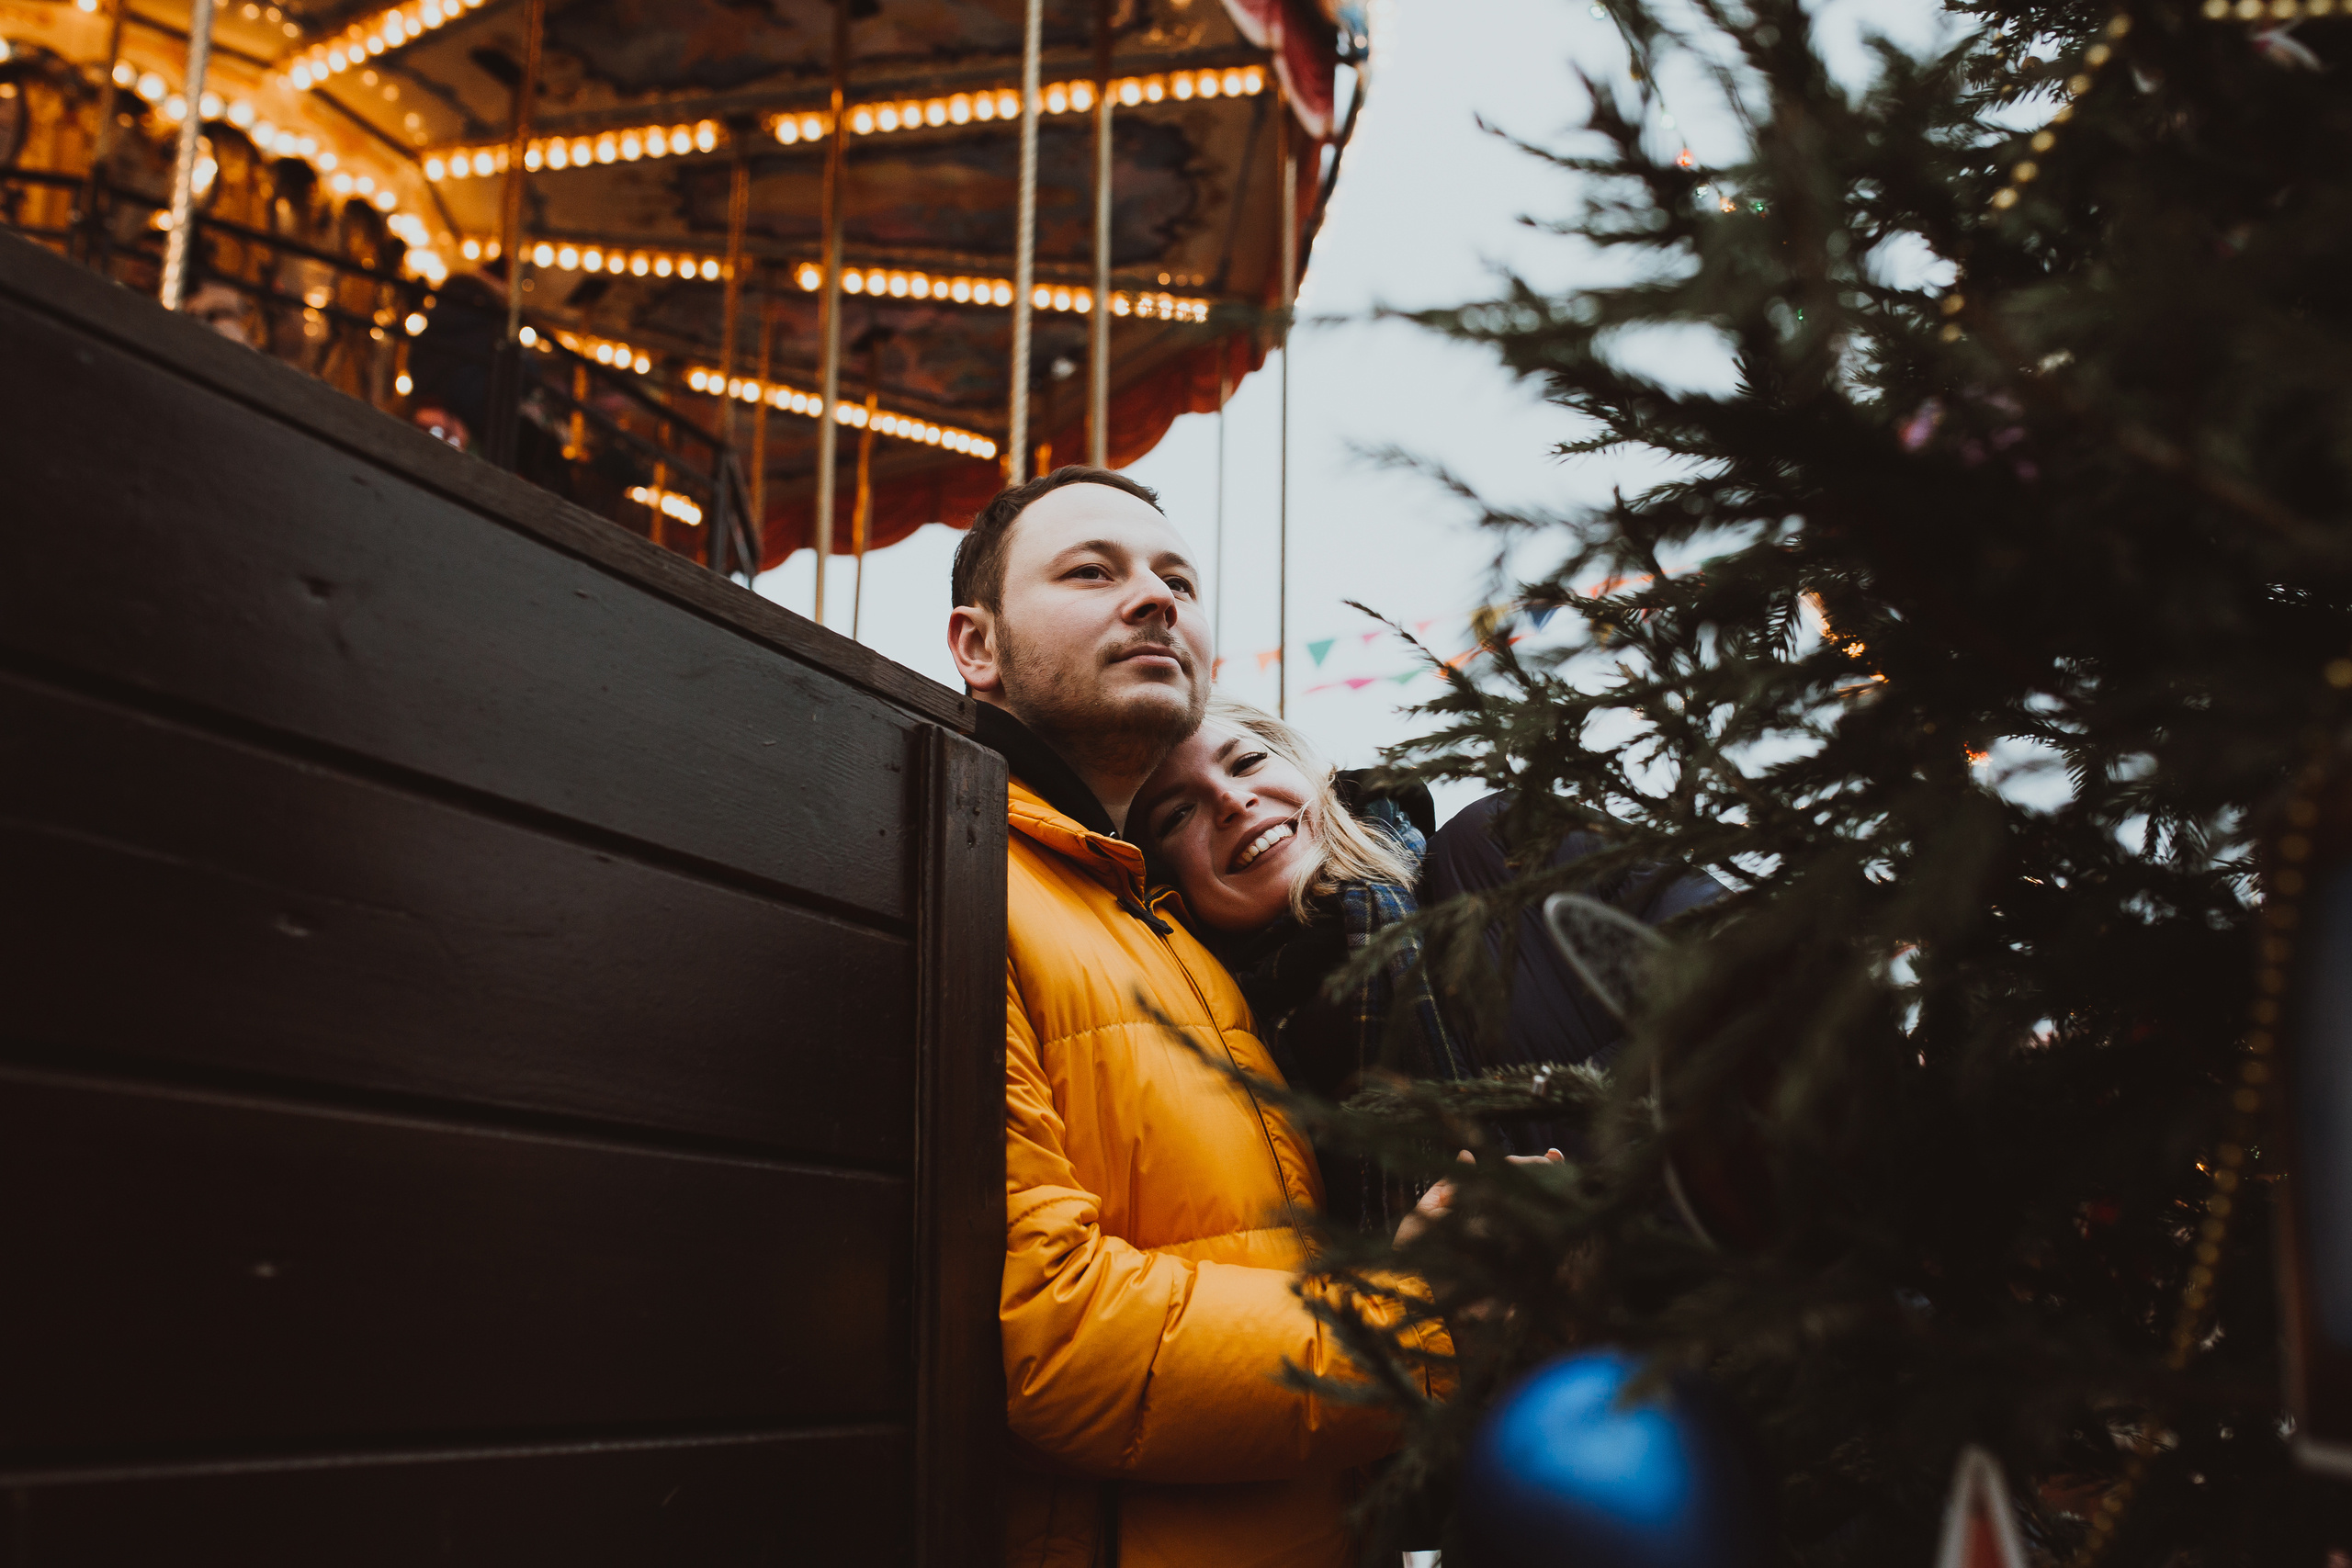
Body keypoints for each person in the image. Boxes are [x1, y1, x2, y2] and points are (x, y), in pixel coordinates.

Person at [947, 467, 1446, 1568]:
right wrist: (1432, 1322)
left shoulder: (1184, 931)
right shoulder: (968, 889)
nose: (1156, 597)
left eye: (1178, 577)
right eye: (1093, 571)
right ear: (976, 647)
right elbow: (1056, 1339)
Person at [1134, 695, 1478, 1235]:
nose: (1230, 798)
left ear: (1305, 770)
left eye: (1247, 762)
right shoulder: (1218, 1059)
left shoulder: (1489, 854)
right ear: (1164, 883)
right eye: (1177, 814)